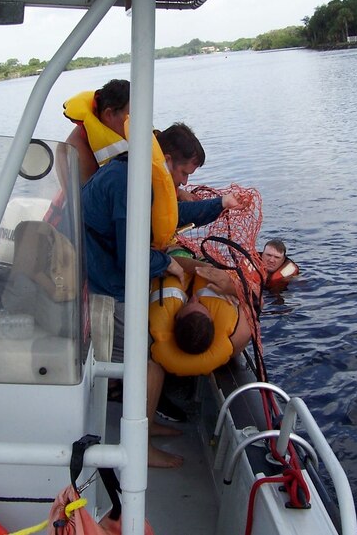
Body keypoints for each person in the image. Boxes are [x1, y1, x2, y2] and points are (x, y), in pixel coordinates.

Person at [82, 122, 245, 468]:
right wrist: (167, 262)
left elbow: (170, 214)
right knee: (153, 358)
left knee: (152, 355)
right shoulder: (127, 184)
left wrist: (221, 204)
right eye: (184, 172)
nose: (185, 183)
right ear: (167, 159)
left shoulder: (138, 171)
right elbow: (130, 257)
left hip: (112, 274)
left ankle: (148, 422)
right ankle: (138, 448)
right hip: (106, 285)